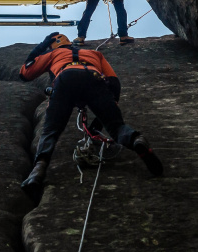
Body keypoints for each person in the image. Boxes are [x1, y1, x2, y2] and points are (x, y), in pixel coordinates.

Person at [18, 32, 162, 195]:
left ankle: (37, 171)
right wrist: (101, 120)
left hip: (66, 78)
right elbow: (114, 83)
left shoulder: (53, 53)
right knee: (116, 127)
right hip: (93, 77)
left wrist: (42, 46)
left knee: (51, 130)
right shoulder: (94, 53)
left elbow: (25, 72)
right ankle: (136, 139)